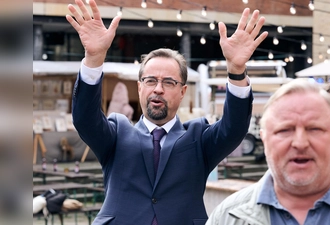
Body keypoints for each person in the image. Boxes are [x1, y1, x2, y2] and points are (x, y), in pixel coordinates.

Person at [66, 0, 268, 224]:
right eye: (151, 80)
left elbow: (234, 127)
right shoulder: (116, 135)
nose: (158, 89)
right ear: (140, 87)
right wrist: (94, 59)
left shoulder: (199, 139)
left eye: (169, 82)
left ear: (182, 91)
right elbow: (85, 119)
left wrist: (237, 71)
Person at [206, 79, 330, 225]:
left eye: (314, 129)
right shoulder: (227, 218)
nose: (300, 143)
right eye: (284, 130)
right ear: (264, 138)